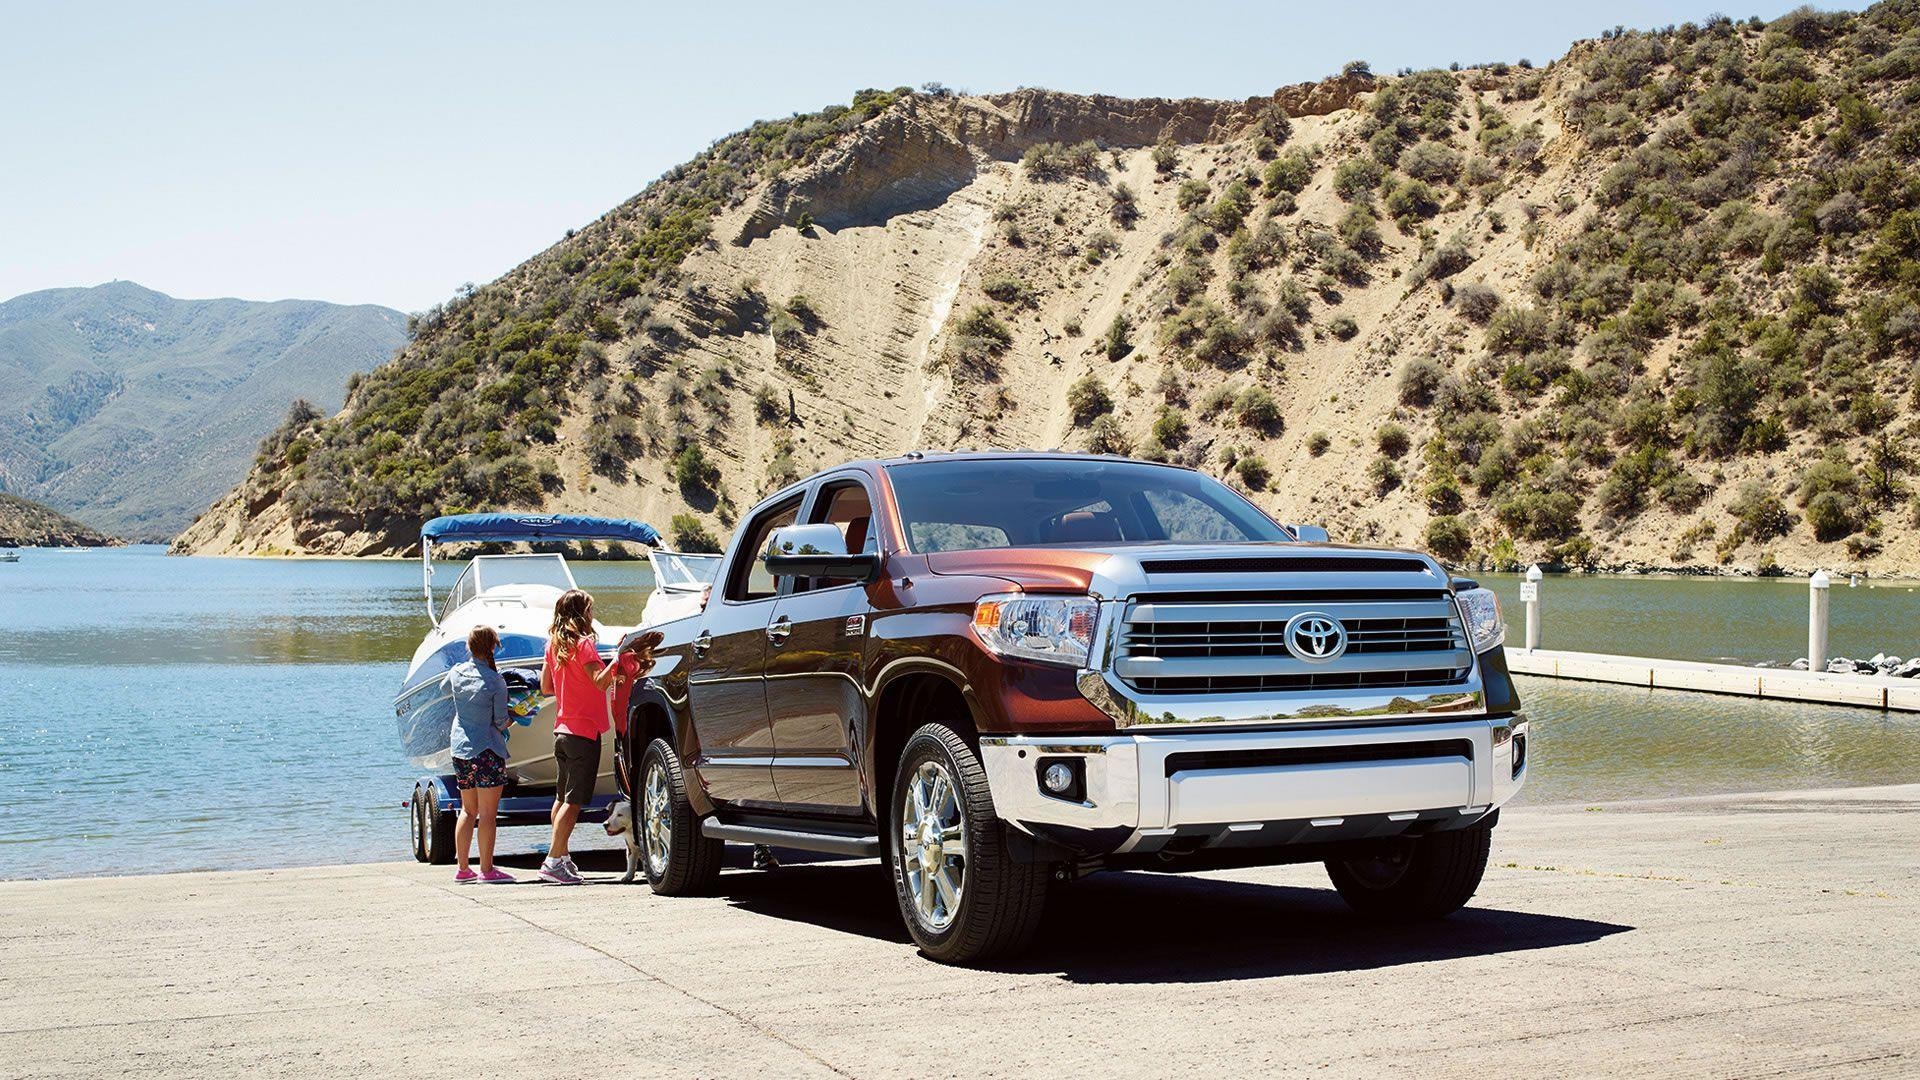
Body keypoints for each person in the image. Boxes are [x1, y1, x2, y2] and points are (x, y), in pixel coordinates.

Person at [537, 589, 648, 885]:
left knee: (561, 799)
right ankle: (552, 861)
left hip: (561, 731)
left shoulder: (554, 645)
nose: (593, 615)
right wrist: (620, 659)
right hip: (583, 733)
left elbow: (545, 687)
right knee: (573, 803)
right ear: (582, 613)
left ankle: (561, 858)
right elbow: (600, 682)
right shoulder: (584, 644)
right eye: (590, 609)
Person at [449, 625, 515, 884]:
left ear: (469, 646)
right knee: (488, 814)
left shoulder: (456, 673)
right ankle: (487, 870)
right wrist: (517, 716)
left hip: (461, 749)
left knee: (468, 810)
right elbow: (500, 722)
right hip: (487, 750)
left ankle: (463, 869)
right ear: (492, 647)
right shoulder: (495, 681)